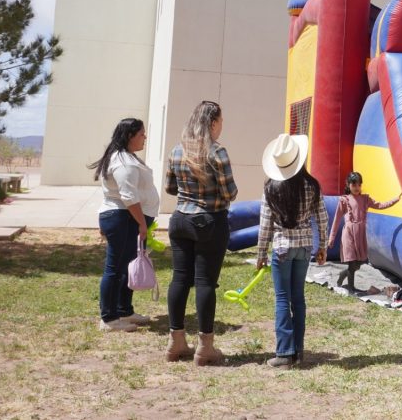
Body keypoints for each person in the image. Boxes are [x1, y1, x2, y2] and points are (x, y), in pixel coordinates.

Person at [164, 100, 238, 365]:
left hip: (179, 220)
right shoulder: (217, 152)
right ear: (213, 123)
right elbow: (230, 193)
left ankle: (176, 342)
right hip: (209, 220)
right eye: (221, 121)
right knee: (205, 283)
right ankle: (205, 347)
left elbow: (170, 188)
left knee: (179, 279)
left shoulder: (177, 150)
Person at [256, 134, 328, 368]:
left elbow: (265, 224)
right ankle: (298, 350)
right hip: (304, 247)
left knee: (282, 298)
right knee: (298, 298)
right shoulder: (312, 185)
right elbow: (322, 218)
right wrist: (322, 246)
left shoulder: (270, 187)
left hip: (282, 248)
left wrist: (261, 254)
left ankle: (284, 353)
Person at [89, 118, 160, 332]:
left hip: (127, 218)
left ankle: (124, 310)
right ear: (130, 136)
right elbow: (128, 197)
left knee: (128, 266)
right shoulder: (123, 162)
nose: (145, 137)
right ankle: (109, 319)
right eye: (141, 134)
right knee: (115, 268)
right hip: (124, 219)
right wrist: (142, 224)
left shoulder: (127, 157)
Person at [327, 171, 402, 292]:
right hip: (349, 234)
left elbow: (380, 205)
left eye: (359, 185)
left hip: (360, 234)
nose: (357, 187)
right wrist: (331, 237)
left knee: (360, 262)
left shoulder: (365, 199)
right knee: (352, 262)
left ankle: (343, 274)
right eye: (354, 184)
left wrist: (395, 200)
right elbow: (336, 219)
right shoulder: (344, 200)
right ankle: (351, 288)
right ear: (348, 185)